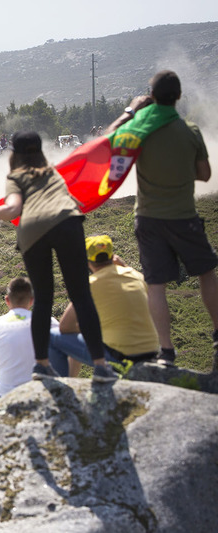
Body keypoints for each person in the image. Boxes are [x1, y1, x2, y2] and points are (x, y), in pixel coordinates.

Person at [0, 131, 118, 383]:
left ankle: (41, 365)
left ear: (15, 154)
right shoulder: (52, 172)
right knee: (81, 296)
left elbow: (13, 208)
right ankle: (101, 365)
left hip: (33, 229)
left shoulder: (16, 176)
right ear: (41, 150)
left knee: (42, 299)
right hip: (67, 221)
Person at [105, 70, 216, 367]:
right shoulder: (190, 130)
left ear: (151, 98)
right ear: (178, 97)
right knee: (206, 273)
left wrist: (130, 110)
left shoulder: (140, 129)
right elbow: (205, 174)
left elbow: (106, 141)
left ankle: (166, 352)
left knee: (156, 285)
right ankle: (217, 337)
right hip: (184, 216)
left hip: (149, 219)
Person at [48, 235, 159, 376]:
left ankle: (62, 388)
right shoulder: (137, 276)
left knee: (50, 337)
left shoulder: (90, 284)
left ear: (87, 260)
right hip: (151, 353)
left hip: (120, 357)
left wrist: (96, 328)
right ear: (112, 255)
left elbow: (65, 327)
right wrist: (125, 266)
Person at [0, 277, 56, 417]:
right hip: (38, 391)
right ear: (32, 300)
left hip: (4, 394)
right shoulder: (50, 322)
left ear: (7, 300)